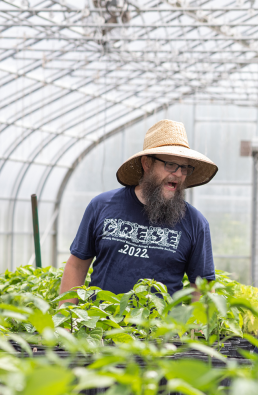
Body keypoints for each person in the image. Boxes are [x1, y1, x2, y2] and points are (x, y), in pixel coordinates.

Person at [60, 119, 217, 303]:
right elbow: (77, 266)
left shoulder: (195, 223)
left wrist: (197, 331)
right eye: (170, 164)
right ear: (147, 163)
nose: (178, 173)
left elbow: (202, 288)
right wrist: (66, 320)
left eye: (184, 167)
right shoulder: (102, 206)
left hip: (162, 331)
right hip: (101, 326)